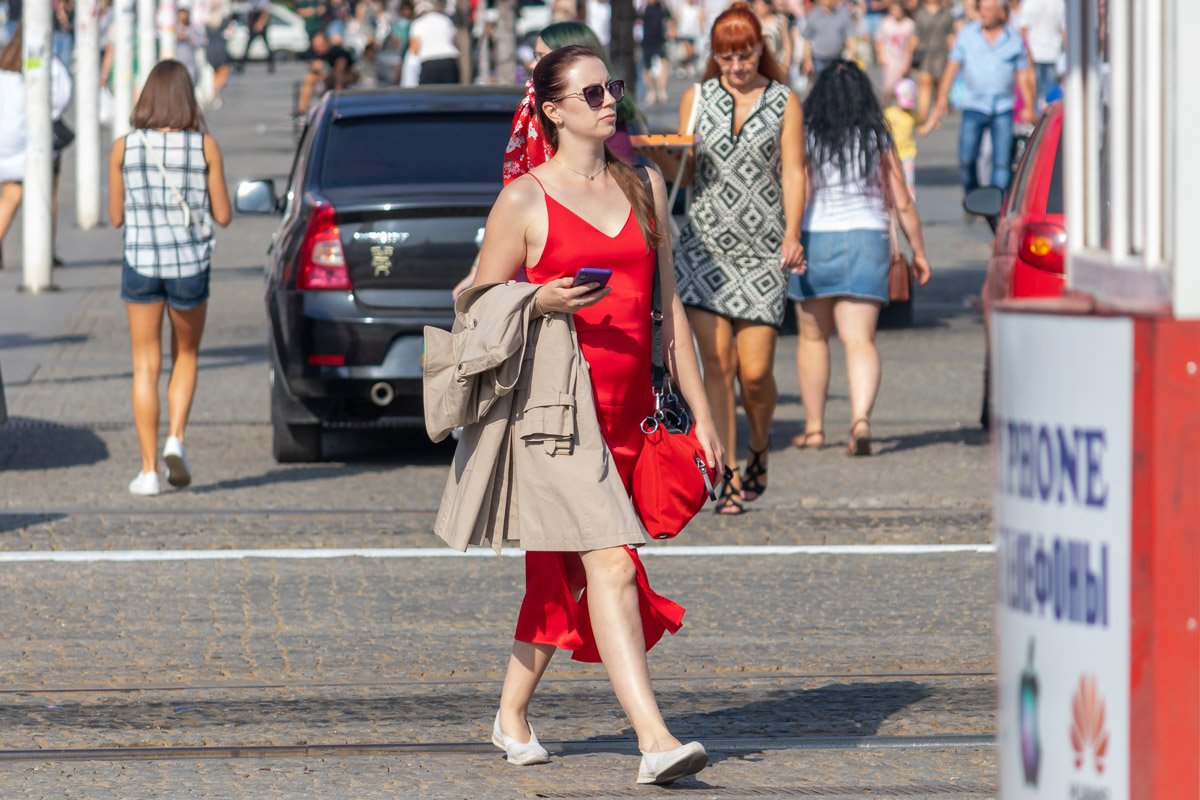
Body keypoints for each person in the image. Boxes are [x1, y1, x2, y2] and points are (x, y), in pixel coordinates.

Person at [469, 43, 722, 784]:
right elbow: (475, 302)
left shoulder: (643, 183)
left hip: (631, 416)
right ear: (551, 111)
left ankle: (511, 713)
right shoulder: (525, 198)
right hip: (554, 418)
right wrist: (538, 298)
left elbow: (667, 310)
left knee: (561, 576)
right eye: (589, 93)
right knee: (610, 560)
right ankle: (654, 741)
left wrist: (704, 414)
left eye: (609, 88)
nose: (608, 101)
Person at [638, 4, 806, 513]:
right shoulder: (697, 97)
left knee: (755, 372)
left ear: (762, 51)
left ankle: (759, 444)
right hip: (705, 248)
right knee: (717, 363)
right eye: (728, 55)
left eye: (747, 53)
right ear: (715, 56)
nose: (738, 65)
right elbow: (688, 173)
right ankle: (726, 471)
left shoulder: (784, 101)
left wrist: (794, 233)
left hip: (762, 250)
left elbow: (795, 173)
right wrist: (663, 155)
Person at [788, 60, 930, 455]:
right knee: (860, 339)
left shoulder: (807, 136)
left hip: (817, 237)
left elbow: (796, 189)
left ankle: (815, 429)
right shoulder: (876, 138)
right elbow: (901, 200)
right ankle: (860, 420)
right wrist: (918, 252)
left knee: (813, 338)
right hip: (867, 239)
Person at [107, 60, 232, 496]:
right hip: (189, 268)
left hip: (141, 264)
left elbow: (115, 216)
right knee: (186, 354)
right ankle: (176, 437)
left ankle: (147, 472)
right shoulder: (205, 147)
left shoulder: (124, 147)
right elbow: (223, 215)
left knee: (145, 364)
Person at [454, 20, 644, 298]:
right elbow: (514, 214)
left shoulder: (608, 132)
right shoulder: (531, 136)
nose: (533, 65)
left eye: (541, 57)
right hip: (539, 285)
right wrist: (535, 300)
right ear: (553, 112)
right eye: (535, 56)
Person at [919, 0, 1035, 195]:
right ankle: (973, 196)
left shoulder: (1013, 38)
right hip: (974, 105)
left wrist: (1029, 105)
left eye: (989, 10)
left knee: (1001, 162)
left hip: (1003, 107)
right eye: (982, 9)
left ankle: (995, 204)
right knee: (967, 159)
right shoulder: (968, 35)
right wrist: (941, 99)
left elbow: (1023, 75)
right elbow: (952, 67)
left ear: (1001, 12)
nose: (984, 14)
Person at [0, 27, 71, 272]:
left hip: (4, 145)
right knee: (35, 193)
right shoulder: (45, 60)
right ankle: (45, 249)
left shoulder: (4, 65)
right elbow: (64, 94)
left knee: (11, 194)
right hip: (28, 144)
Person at [910, 0, 955, 123]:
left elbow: (951, 36)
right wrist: (908, 58)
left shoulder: (947, 13)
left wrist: (956, 58)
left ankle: (936, 117)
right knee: (925, 85)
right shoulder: (920, 14)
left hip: (942, 54)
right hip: (925, 54)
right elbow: (915, 37)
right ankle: (923, 116)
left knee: (940, 86)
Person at [295, 31, 357, 116]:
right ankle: (301, 110)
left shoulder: (338, 51)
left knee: (339, 70)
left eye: (320, 46)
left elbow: (346, 69)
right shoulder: (314, 52)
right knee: (309, 78)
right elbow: (312, 66)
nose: (317, 49)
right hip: (324, 79)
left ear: (327, 43)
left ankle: (339, 104)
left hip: (345, 79)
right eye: (315, 46)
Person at [1017, 0, 1064, 109]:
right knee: (1050, 100)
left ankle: (1038, 123)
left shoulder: (1029, 2)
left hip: (1033, 54)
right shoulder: (1059, 2)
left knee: (1034, 96)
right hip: (1053, 54)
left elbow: (1023, 29)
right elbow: (1063, 30)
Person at [409, 0, 460, 84]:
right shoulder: (445, 20)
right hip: (449, 62)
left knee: (429, 95)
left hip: (429, 63)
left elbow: (414, 49)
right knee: (450, 95)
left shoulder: (417, 24)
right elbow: (454, 40)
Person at [803, 0, 856, 77]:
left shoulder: (844, 15)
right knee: (820, 87)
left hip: (837, 60)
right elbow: (806, 40)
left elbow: (851, 40)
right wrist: (807, 60)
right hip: (817, 61)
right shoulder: (813, 15)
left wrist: (849, 60)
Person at [875, 0, 914, 100]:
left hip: (902, 60)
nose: (896, 13)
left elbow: (911, 45)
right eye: (894, 10)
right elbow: (879, 41)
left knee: (902, 91)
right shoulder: (886, 23)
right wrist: (881, 56)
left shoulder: (909, 24)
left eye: (898, 10)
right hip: (889, 61)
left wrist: (907, 63)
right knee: (887, 89)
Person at [884, 76, 918, 196]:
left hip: (908, 154)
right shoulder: (890, 113)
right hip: (892, 153)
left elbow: (922, 128)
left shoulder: (913, 115)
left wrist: (933, 121)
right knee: (891, 180)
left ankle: (910, 202)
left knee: (908, 182)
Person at [639, 0, 672, 106]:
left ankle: (662, 90)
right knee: (647, 67)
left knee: (664, 64)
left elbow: (670, 19)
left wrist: (671, 31)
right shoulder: (642, 8)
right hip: (647, 41)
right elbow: (637, 21)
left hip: (660, 40)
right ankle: (651, 91)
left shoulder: (662, 7)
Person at [237, 0, 275, 73]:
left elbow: (265, 12)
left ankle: (271, 65)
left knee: (267, 46)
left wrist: (260, 24)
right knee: (248, 46)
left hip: (260, 25)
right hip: (254, 23)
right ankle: (241, 65)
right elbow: (250, 12)